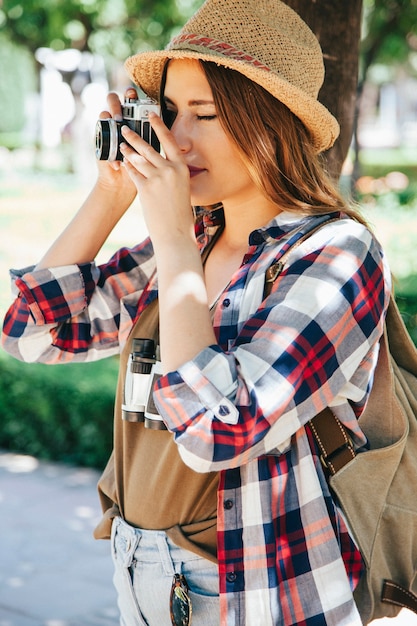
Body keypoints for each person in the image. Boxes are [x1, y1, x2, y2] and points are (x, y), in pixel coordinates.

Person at [2, 0, 391, 624]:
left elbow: (218, 432)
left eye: (205, 115)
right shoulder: (190, 242)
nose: (177, 141)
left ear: (272, 122)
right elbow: (30, 334)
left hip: (254, 587)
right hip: (139, 564)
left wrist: (174, 237)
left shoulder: (337, 256)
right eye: (171, 113)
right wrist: (110, 195)